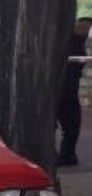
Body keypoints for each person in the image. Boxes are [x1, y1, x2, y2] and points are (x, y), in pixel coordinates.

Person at [57, 12, 92, 167]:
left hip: (70, 61)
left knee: (67, 105)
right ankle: (49, 153)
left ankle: (68, 154)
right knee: (49, 107)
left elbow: (81, 29)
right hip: (50, 58)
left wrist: (50, 26)